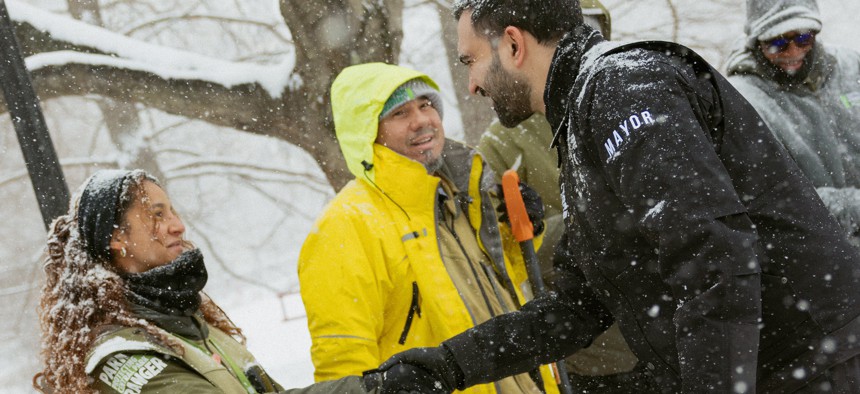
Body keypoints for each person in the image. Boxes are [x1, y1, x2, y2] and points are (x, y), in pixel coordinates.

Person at [371, 0, 860, 393]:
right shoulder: (584, 119)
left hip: (812, 365)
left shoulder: (623, 88)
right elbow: (578, 305)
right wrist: (444, 367)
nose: (472, 83)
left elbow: (715, 262)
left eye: (471, 60)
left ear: (514, 44)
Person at [297, 62, 559, 394]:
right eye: (399, 114)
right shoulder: (344, 227)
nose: (422, 120)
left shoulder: (459, 194)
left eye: (426, 105)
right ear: (367, 132)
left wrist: (518, 233)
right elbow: (344, 366)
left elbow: (495, 292)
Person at [33, 169, 368, 394]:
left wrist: (376, 386)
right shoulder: (120, 355)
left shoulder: (193, 326)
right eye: (157, 215)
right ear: (116, 238)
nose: (178, 225)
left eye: (173, 212)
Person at [726, 0, 860, 245]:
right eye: (777, 42)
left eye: (802, 39)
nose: (792, 52)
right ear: (756, 40)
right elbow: (773, 200)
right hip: (828, 257)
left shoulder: (851, 65)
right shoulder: (743, 100)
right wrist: (853, 208)